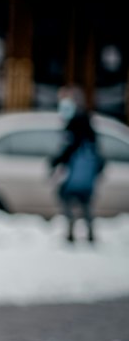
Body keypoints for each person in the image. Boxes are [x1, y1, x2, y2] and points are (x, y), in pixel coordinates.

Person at [50, 88, 105, 244]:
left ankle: (71, 231)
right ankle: (88, 232)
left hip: (75, 171)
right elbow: (96, 149)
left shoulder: (76, 123)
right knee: (85, 201)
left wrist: (56, 162)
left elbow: (69, 148)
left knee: (67, 197)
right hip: (86, 172)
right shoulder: (87, 122)